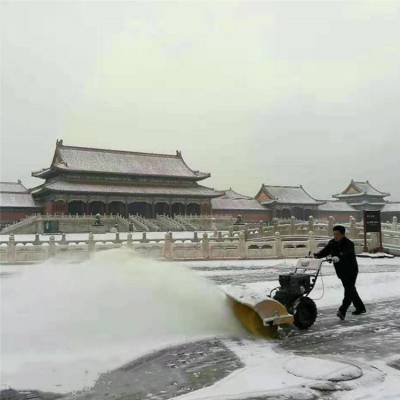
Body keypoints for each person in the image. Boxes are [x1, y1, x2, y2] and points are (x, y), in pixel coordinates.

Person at [314, 225, 366, 320]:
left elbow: (346, 253)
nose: (335, 236)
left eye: (337, 234)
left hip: (351, 270)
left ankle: (342, 310)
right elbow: (325, 251)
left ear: (342, 234)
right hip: (341, 271)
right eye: (334, 234)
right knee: (351, 289)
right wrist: (316, 255)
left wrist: (338, 257)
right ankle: (360, 307)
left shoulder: (349, 243)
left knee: (348, 290)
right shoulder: (332, 243)